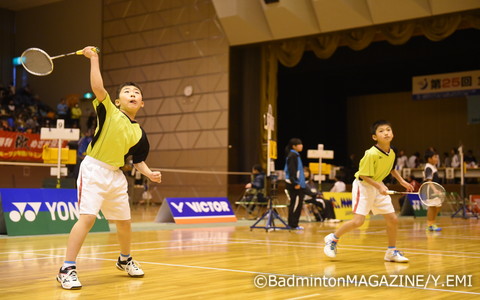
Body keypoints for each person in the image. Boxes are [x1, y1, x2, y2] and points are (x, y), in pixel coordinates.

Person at [56, 46, 162, 290]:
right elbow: (97, 88)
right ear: (117, 101)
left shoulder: (140, 133)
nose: (132, 94)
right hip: (93, 169)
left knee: (124, 221)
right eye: (127, 92)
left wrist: (149, 173)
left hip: (116, 175)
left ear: (142, 103)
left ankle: (125, 260)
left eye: (136, 93)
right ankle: (67, 268)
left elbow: (138, 160)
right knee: (88, 218)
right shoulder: (109, 112)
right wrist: (94, 59)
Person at [324, 120, 413, 263]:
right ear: (374, 137)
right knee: (358, 221)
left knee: (393, 219)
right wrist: (378, 186)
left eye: (388, 130)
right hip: (364, 186)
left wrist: (401, 181)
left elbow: (391, 168)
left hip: (378, 185)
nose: (386, 133)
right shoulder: (370, 154)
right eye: (381, 131)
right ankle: (333, 239)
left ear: (393, 133)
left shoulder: (392, 151)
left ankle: (391, 251)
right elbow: (362, 174)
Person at [284, 138, 306, 230]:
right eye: (299, 144)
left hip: (298, 184)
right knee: (295, 204)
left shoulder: (296, 155)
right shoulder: (292, 155)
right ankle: (293, 224)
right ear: (294, 146)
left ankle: (294, 224)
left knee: (297, 204)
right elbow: (292, 171)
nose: (301, 146)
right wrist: (295, 183)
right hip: (295, 185)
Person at [423, 150, 442, 232]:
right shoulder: (428, 167)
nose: (437, 159)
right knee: (432, 207)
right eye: (435, 157)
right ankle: (430, 225)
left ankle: (432, 223)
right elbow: (429, 180)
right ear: (429, 159)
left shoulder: (433, 167)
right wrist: (435, 190)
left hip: (434, 189)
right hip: (430, 190)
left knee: (436, 207)